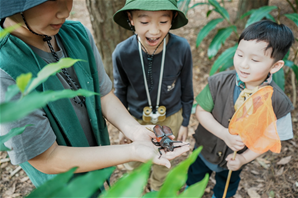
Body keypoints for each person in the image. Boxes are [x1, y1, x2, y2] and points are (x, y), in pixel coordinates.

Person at [0, 0, 189, 193]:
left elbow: (103, 94)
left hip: (97, 160)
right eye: (53, 0)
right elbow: (46, 157)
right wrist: (132, 151)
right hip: (64, 187)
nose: (65, 11)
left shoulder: (76, 34)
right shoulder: (5, 69)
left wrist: (135, 131)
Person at [186, 20, 295, 198]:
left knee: (226, 187)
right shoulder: (219, 82)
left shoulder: (278, 101)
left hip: (234, 159)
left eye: (254, 60)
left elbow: (269, 138)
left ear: (275, 66)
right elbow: (201, 111)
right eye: (239, 55)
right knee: (195, 177)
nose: (243, 64)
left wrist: (244, 158)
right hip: (204, 149)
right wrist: (224, 134)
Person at [112, 0, 194, 191]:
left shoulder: (181, 48)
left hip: (171, 117)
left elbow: (187, 88)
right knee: (133, 162)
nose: (154, 31)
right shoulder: (122, 52)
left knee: (165, 159)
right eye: (145, 22)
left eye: (163, 21)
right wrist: (123, 126)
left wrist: (185, 121)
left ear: (173, 19)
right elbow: (120, 91)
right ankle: (137, 189)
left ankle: (158, 189)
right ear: (130, 19)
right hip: (135, 119)